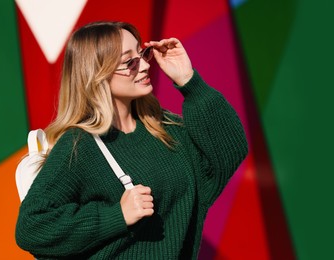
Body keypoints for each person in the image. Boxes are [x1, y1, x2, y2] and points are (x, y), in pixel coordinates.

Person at [15, 21, 248, 259]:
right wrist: (116, 216)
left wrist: (189, 80)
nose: (146, 65)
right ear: (98, 73)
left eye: (142, 53)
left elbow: (229, 152)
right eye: (130, 62)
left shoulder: (163, 127)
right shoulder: (80, 144)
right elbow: (32, 227)